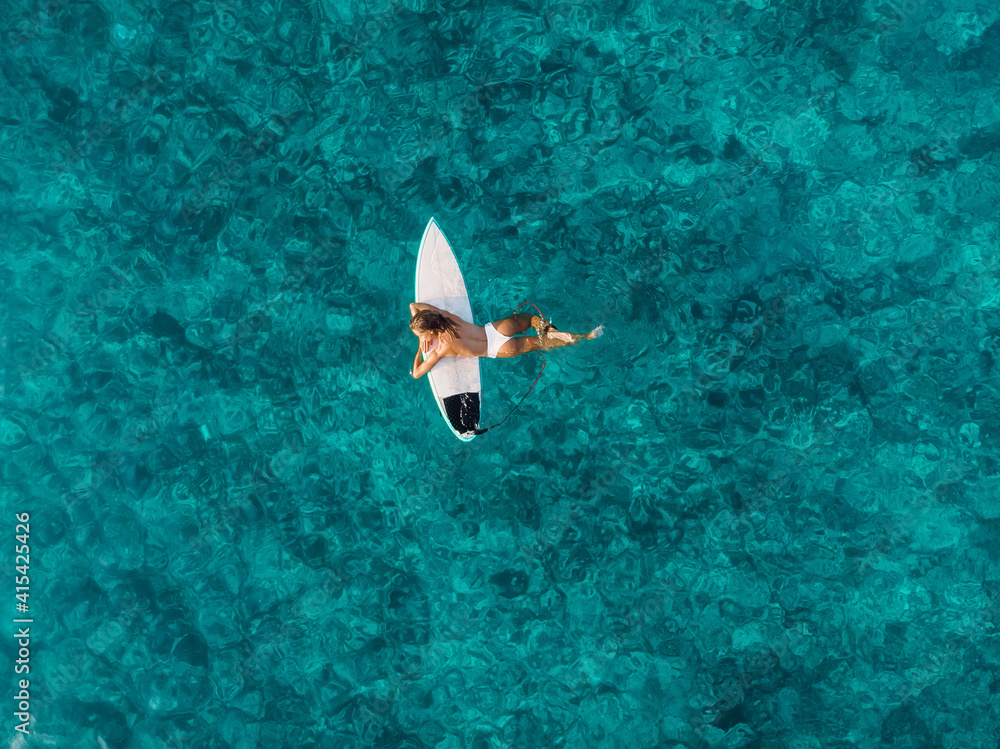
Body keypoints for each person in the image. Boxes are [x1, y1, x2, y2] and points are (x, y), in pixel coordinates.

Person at [409, 303, 603, 379]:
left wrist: (420, 348)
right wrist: (422, 329)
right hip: (495, 329)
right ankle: (547, 328)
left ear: (432, 330)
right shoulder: (446, 316)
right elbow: (414, 306)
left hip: (499, 348)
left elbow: (417, 374)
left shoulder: (440, 350)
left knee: (543, 344)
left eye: (420, 335)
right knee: (530, 319)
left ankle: (586, 336)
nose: (420, 338)